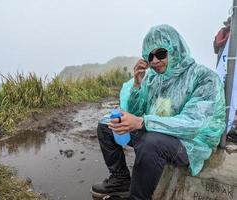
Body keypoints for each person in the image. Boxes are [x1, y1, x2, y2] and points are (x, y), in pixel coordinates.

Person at [90, 24, 226, 200]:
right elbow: (136, 112)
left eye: (161, 53)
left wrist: (143, 123)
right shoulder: (154, 79)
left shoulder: (203, 77)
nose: (154, 61)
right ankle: (121, 180)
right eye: (149, 56)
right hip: (156, 131)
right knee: (107, 125)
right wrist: (138, 85)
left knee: (150, 143)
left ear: (175, 49)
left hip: (190, 142)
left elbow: (193, 123)